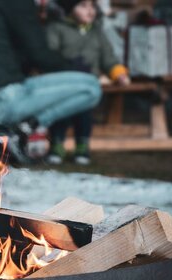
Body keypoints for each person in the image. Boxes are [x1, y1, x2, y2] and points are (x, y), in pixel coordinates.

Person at [0, 0, 102, 164]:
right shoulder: (19, 3)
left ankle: (15, 130)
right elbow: (39, 55)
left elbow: (18, 55)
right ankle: (23, 128)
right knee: (91, 87)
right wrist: (73, 67)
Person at [45, 0, 130, 165]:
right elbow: (49, 54)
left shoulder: (97, 32)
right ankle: (56, 144)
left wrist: (118, 74)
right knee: (61, 113)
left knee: (84, 116)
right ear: (69, 9)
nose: (90, 11)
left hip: (88, 84)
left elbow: (108, 57)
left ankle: (82, 145)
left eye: (92, 7)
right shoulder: (57, 28)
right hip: (64, 83)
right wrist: (65, 65)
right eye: (83, 6)